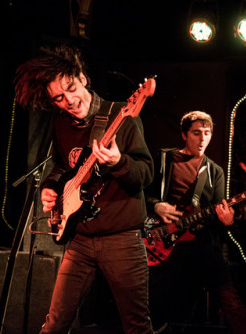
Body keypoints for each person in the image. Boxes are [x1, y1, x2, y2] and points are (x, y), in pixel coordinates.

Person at [14, 44, 154, 333]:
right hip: (79, 239)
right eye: (59, 98)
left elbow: (146, 174)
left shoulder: (123, 116)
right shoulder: (62, 124)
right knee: (54, 325)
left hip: (121, 240)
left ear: (82, 77)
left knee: (136, 326)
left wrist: (117, 161)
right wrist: (50, 188)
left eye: (71, 88)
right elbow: (61, 166)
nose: (69, 100)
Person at [144, 111, 246, 333]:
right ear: (184, 135)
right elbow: (141, 193)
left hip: (199, 243)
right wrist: (157, 205)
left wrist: (228, 221)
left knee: (229, 295)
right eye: (197, 133)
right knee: (156, 303)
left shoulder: (215, 172)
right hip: (162, 241)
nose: (203, 138)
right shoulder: (165, 159)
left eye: (207, 133)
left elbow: (218, 212)